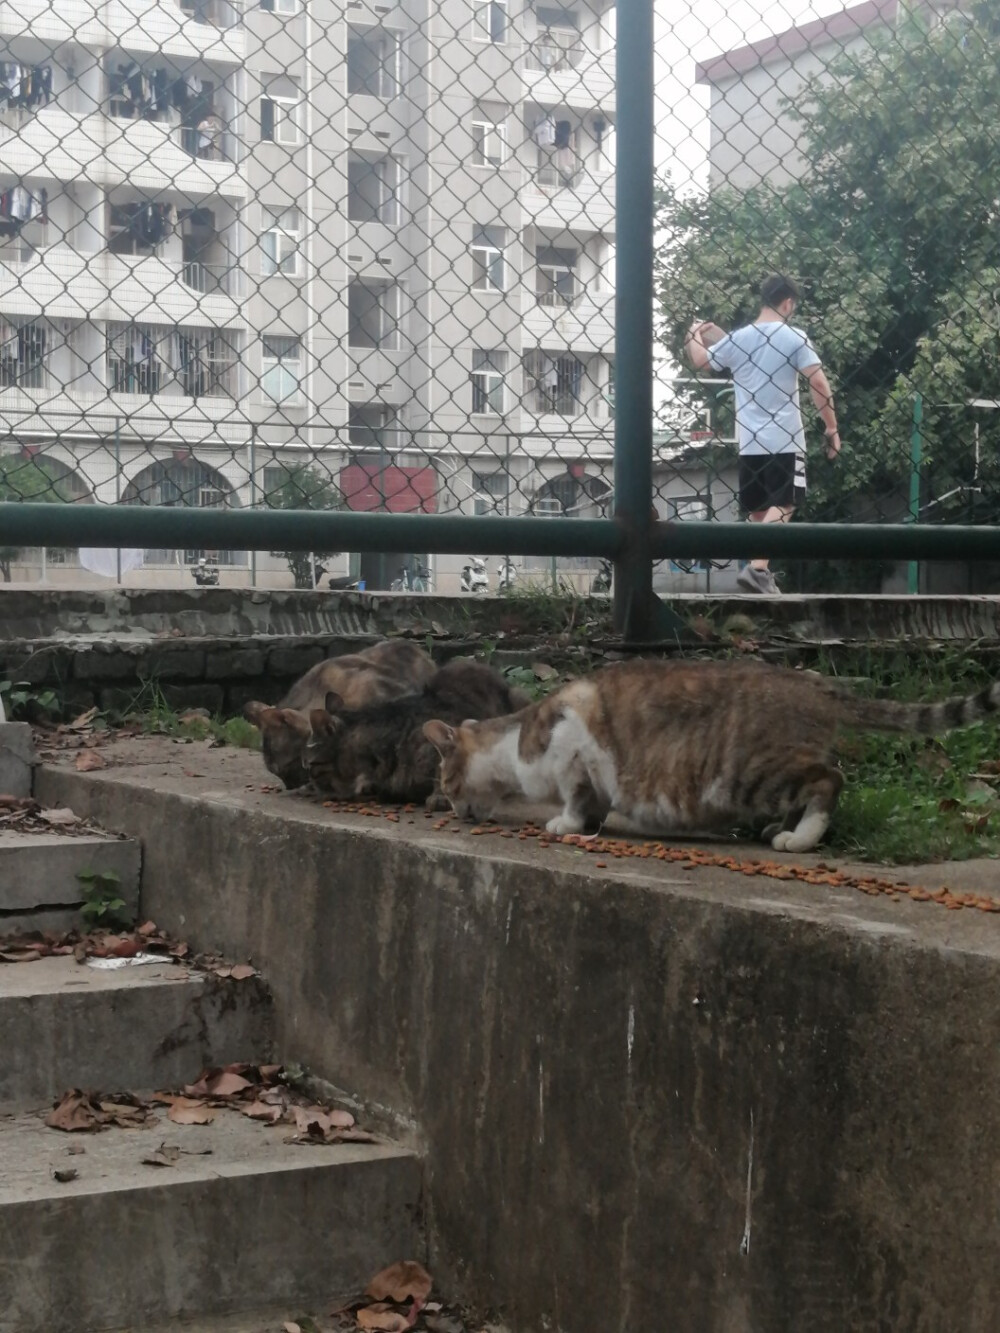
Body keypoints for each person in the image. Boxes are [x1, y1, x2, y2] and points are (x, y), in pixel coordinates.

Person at [684, 273, 840, 595]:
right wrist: (832, 427)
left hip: (749, 441)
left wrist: (693, 333)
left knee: (759, 511)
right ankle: (756, 569)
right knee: (786, 502)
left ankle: (761, 571)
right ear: (788, 303)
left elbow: (700, 360)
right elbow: (819, 383)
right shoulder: (795, 337)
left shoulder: (739, 339)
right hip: (785, 438)